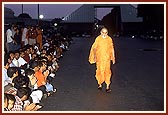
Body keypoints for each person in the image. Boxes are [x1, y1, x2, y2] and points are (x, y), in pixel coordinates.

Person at [88, 27, 115, 93]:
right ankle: (99, 84)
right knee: (99, 71)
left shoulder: (109, 39)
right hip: (99, 59)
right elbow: (94, 48)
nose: (104, 34)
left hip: (107, 59)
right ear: (100, 32)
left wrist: (113, 58)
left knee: (107, 72)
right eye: (103, 32)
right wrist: (94, 56)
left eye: (106, 33)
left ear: (107, 33)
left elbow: (112, 49)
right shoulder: (98, 39)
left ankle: (107, 86)